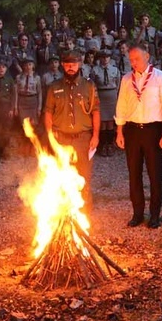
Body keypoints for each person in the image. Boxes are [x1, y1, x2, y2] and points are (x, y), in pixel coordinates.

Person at [115, 45, 162, 229]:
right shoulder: (127, 79)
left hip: (153, 130)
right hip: (132, 130)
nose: (133, 63)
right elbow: (121, 106)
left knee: (154, 174)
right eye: (131, 59)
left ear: (147, 56)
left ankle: (155, 215)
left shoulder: (161, 78)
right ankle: (138, 213)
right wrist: (119, 131)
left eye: (137, 59)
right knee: (134, 174)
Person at [43, 49, 100, 214]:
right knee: (60, 176)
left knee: (83, 177)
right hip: (60, 138)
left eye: (74, 64)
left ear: (79, 64)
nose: (70, 67)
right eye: (67, 64)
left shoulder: (89, 86)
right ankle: (62, 214)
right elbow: (48, 113)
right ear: (62, 65)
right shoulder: (54, 87)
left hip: (83, 139)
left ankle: (84, 216)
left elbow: (96, 111)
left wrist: (96, 136)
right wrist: (49, 137)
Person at [92, 48, 121, 157]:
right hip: (100, 95)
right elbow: (93, 84)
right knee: (102, 122)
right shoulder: (95, 70)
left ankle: (110, 144)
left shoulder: (115, 70)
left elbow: (118, 83)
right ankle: (103, 145)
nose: (105, 59)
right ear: (100, 58)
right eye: (103, 57)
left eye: (107, 57)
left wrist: (115, 93)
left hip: (111, 95)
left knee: (110, 122)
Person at [0, 57, 16, 160]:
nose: (1, 69)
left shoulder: (9, 79)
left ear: (6, 69)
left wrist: (11, 109)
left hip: (6, 108)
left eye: (4, 67)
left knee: (6, 131)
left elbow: (13, 94)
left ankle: (4, 152)